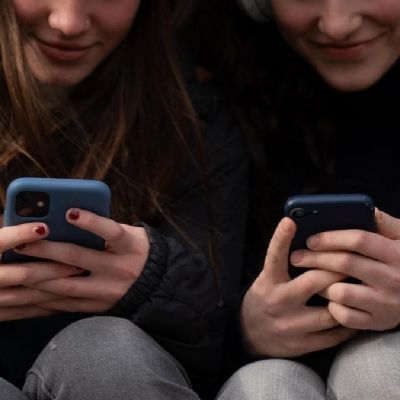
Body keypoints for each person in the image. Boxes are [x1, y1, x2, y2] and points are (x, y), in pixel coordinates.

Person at [0, 1, 249, 399]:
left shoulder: (192, 124)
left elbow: (222, 349)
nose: (67, 23)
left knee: (108, 353)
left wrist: (155, 279)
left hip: (118, 373)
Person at [186, 0, 400, 399]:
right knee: (266, 386)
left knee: (380, 366)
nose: (337, 25)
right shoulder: (202, 85)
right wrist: (244, 329)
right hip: (257, 376)